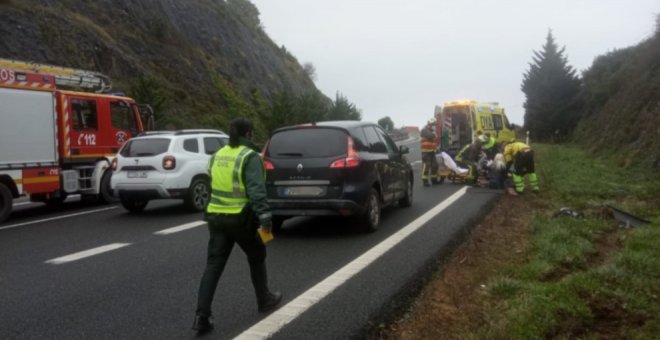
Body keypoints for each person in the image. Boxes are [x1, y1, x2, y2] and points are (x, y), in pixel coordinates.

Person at [193, 117, 282, 333]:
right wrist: (265, 218)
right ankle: (264, 299)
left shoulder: (217, 155)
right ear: (249, 134)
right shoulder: (249, 156)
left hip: (215, 217)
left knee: (214, 265)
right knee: (257, 256)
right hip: (241, 218)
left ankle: (202, 317)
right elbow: (255, 190)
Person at [420, 120, 439, 186]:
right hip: (426, 152)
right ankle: (425, 181)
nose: (434, 126)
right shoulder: (424, 130)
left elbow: (434, 140)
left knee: (435, 165)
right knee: (426, 166)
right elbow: (430, 136)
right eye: (433, 124)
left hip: (432, 151)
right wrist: (434, 134)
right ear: (429, 124)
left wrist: (436, 148)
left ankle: (434, 180)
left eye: (434, 124)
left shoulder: (432, 131)